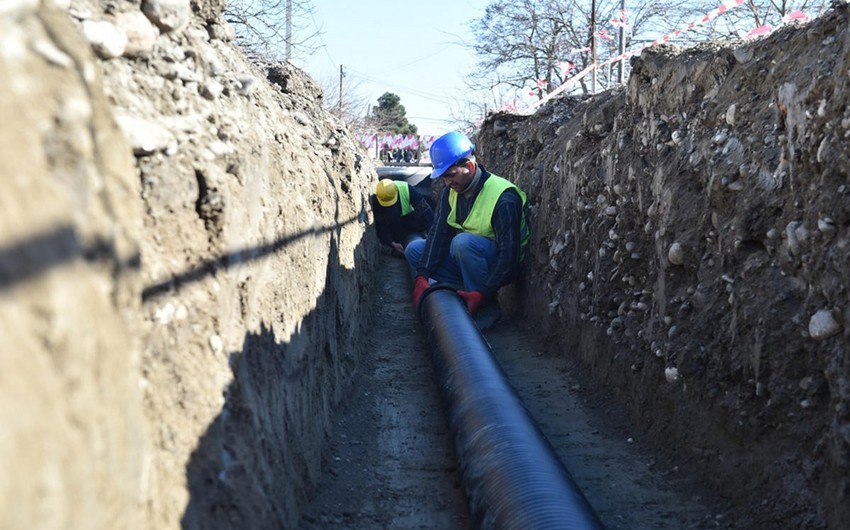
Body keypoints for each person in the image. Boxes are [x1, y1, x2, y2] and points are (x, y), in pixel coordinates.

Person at [405, 131, 529, 324]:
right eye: (444, 177)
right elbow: (439, 234)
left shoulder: (503, 198)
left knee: (462, 242)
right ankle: (462, 293)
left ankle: (486, 308)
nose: (447, 182)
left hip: (501, 265)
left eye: (451, 175)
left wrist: (483, 292)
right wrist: (422, 275)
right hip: (471, 259)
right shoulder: (451, 192)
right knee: (414, 250)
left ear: (469, 166)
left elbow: (509, 257)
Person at [370, 178, 435, 256]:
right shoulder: (377, 198)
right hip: (393, 226)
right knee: (392, 212)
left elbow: (426, 212)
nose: (390, 205)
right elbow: (381, 225)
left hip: (411, 222)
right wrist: (392, 243)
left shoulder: (406, 189)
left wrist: (432, 237)